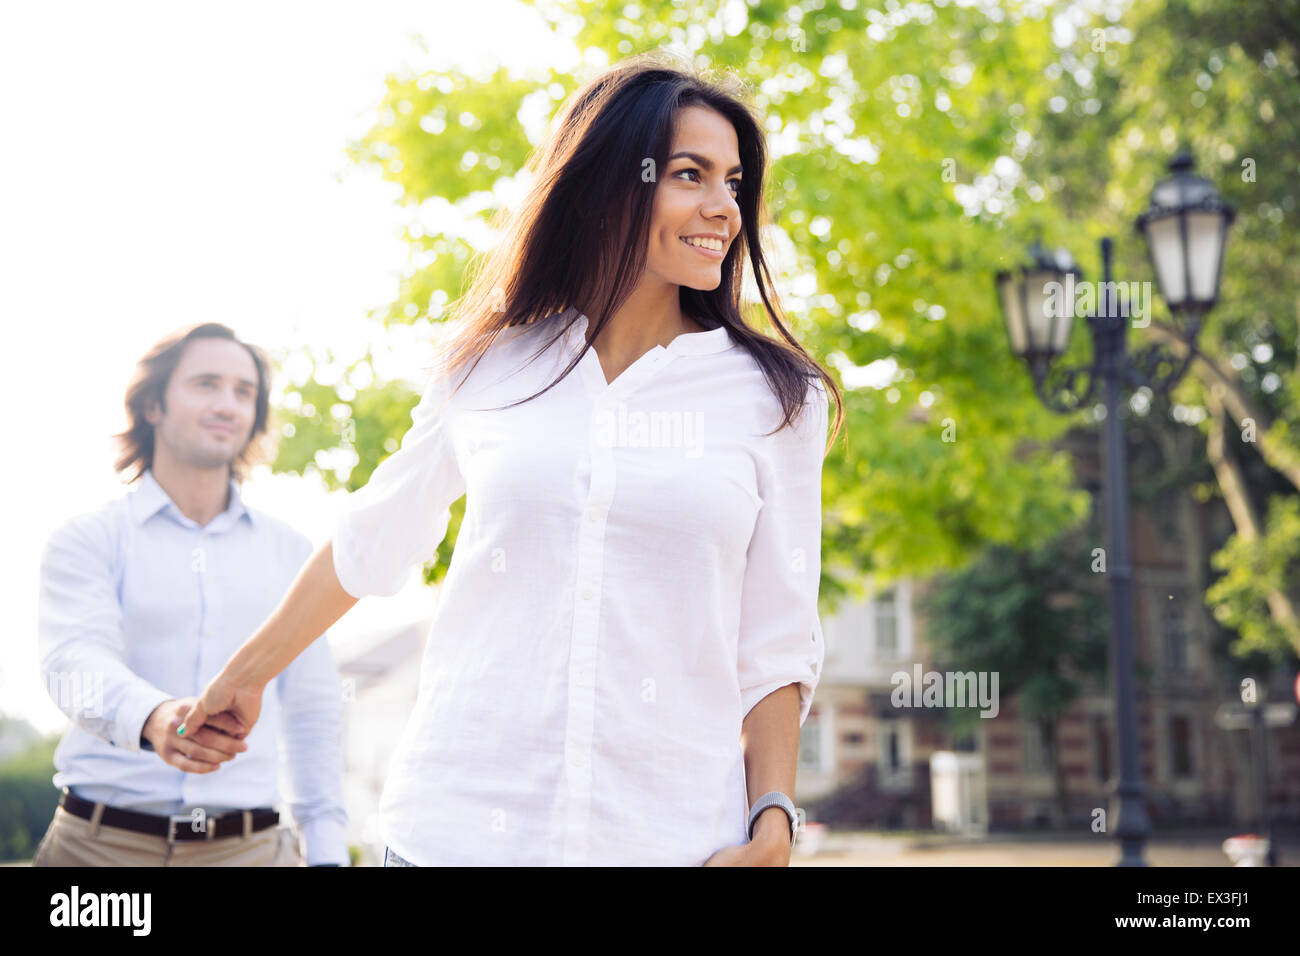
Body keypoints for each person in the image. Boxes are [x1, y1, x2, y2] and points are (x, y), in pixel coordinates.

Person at [178, 51, 844, 866]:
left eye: (733, 183)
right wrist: (244, 677)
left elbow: (775, 640)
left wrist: (773, 816)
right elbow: (372, 539)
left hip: (669, 839)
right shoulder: (493, 366)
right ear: (609, 183)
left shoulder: (776, 399)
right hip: (457, 829)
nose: (724, 209)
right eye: (690, 175)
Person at [32, 323, 349, 867]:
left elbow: (313, 709)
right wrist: (153, 717)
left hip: (250, 851)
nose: (227, 403)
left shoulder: (292, 552)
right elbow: (72, 662)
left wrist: (326, 854)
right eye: (206, 383)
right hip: (99, 853)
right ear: (154, 405)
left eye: (243, 391)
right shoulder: (87, 538)